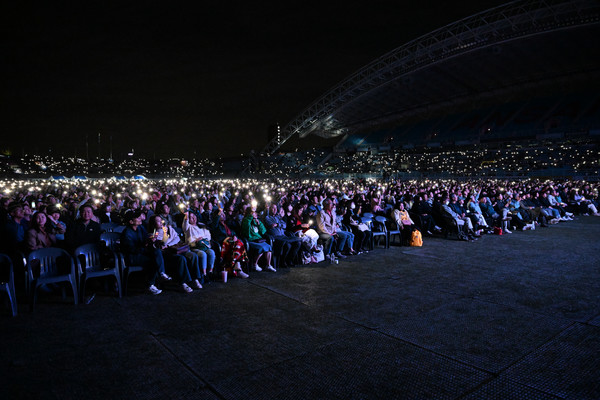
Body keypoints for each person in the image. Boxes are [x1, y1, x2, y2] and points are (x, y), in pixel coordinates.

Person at [120, 210, 171, 295]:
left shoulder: (140, 228)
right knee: (153, 261)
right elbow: (132, 249)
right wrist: (146, 245)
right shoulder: (127, 233)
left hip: (142, 252)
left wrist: (151, 239)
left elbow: (145, 240)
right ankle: (149, 285)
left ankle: (162, 273)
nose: (140, 219)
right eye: (137, 218)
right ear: (131, 221)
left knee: (157, 251)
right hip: (133, 256)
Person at [148, 215, 202, 293]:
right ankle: (183, 283)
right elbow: (162, 244)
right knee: (181, 259)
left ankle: (195, 279)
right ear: (153, 223)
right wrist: (166, 237)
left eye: (161, 220)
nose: (161, 222)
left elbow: (177, 239)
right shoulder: (155, 233)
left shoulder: (169, 228)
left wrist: (168, 243)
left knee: (193, 255)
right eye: (158, 221)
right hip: (167, 253)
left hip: (177, 249)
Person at [240, 207, 275, 272]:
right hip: (251, 240)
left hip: (258, 239)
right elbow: (246, 230)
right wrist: (250, 216)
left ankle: (268, 265)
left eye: (255, 213)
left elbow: (263, 231)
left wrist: (259, 224)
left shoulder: (256, 221)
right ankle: (254, 265)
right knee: (261, 248)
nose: (255, 214)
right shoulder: (246, 220)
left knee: (269, 247)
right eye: (253, 213)